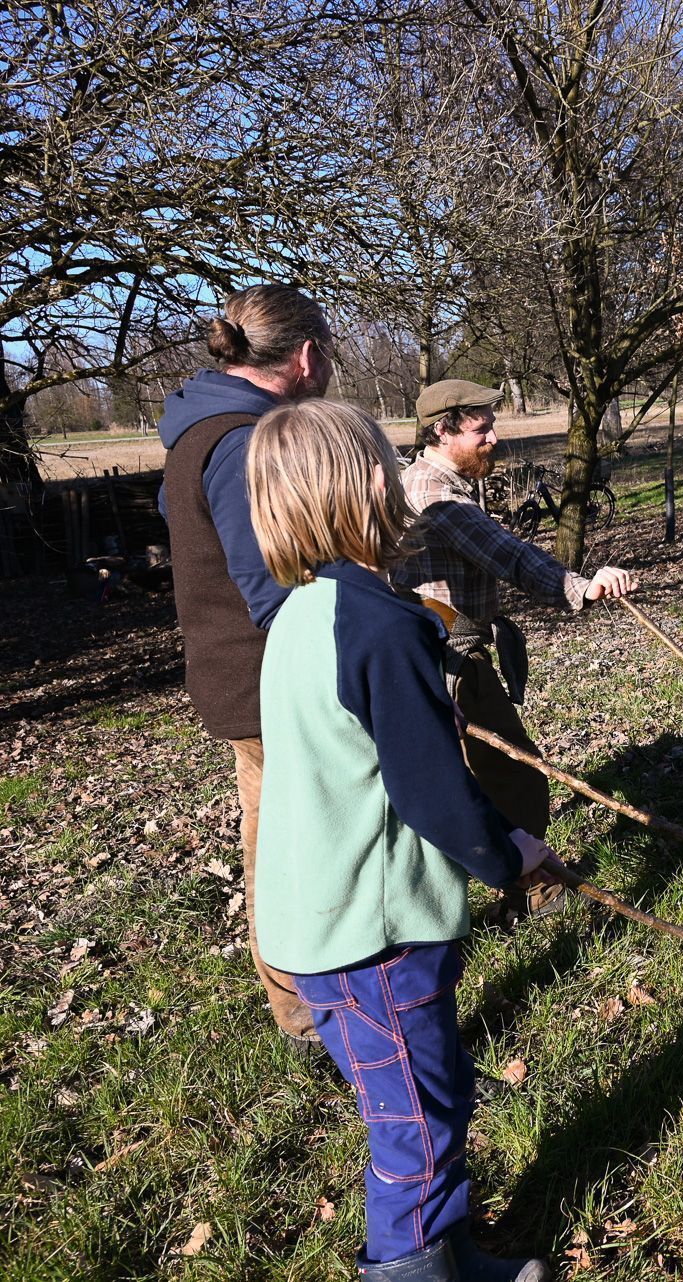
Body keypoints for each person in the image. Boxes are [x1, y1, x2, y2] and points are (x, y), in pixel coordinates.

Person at [248, 399, 560, 1282]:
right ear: (357, 491)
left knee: (431, 1095)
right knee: (414, 1128)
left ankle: (450, 1252)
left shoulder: (300, 614)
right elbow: (433, 795)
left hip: (321, 926)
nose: (394, 479)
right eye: (380, 466)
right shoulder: (380, 631)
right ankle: (408, 1268)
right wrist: (511, 854)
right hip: (374, 936)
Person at [157, 284, 332, 1045]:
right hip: (272, 682)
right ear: (305, 355)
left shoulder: (203, 426)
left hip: (246, 675)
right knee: (293, 847)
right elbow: (270, 590)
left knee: (279, 836)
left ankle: (310, 1003)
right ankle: (309, 1013)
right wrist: (345, 670)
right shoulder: (240, 441)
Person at [390, 379, 636, 917]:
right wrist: (580, 586)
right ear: (441, 431)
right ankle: (530, 884)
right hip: (450, 658)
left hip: (445, 650)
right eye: (481, 428)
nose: (494, 437)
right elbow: (512, 555)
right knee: (513, 770)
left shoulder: (435, 480)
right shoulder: (436, 497)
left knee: (476, 772)